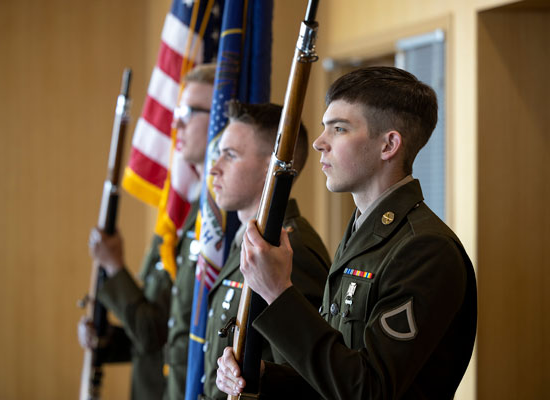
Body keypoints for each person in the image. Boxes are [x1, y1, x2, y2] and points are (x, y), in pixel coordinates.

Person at [215, 66, 478, 399]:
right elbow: (337, 377)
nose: (319, 143)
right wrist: (262, 376)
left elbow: (370, 390)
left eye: (339, 129)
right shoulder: (362, 234)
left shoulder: (424, 248)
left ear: (388, 145)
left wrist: (279, 293)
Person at [80, 63, 216, 400]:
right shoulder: (179, 214)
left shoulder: (214, 222)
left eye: (191, 111)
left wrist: (114, 268)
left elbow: (157, 332)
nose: (177, 123)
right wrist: (109, 339)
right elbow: (160, 337)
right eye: (178, 110)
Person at [201, 101, 331, 400]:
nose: (214, 168)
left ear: (270, 168)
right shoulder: (249, 241)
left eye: (230, 155)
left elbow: (305, 377)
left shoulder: (291, 249)